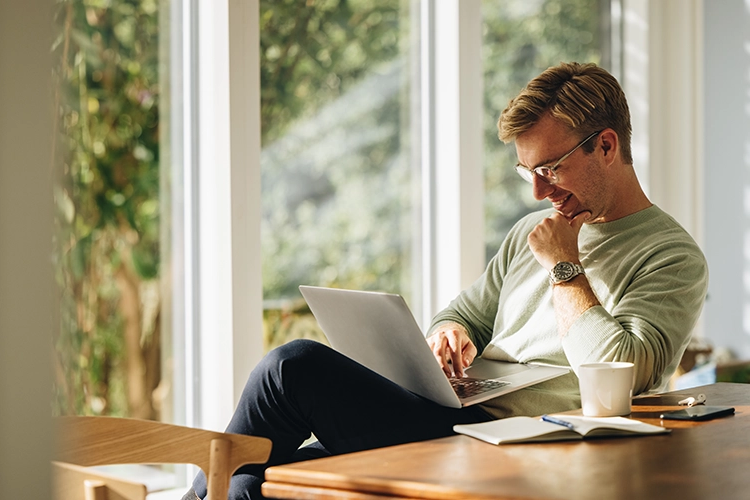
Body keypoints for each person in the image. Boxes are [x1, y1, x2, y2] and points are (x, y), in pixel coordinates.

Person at [182, 62, 708, 500]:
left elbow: (626, 372)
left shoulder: (672, 256)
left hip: (516, 442)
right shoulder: (532, 231)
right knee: (251, 483)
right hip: (448, 414)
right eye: (529, 173)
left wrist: (564, 267)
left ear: (607, 146)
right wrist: (448, 334)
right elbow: (464, 314)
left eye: (550, 168)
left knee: (291, 366)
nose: (537, 194)